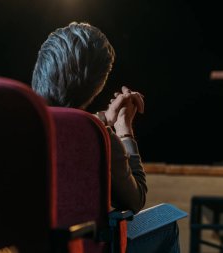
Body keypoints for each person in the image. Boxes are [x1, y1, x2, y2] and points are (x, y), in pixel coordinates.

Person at [31, 21, 180, 253]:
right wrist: (123, 129)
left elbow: (62, 122)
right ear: (97, 85)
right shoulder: (99, 136)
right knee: (167, 226)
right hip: (85, 247)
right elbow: (134, 201)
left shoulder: (16, 123)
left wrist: (103, 118)